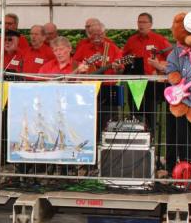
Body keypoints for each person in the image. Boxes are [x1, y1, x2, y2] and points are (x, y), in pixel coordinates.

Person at [122, 13, 170, 142]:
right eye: (139, 22)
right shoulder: (131, 40)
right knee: (135, 114)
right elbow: (123, 58)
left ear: (151, 24)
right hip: (135, 83)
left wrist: (160, 67)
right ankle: (136, 142)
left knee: (150, 114)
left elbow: (172, 59)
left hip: (153, 83)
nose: (141, 25)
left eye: (144, 22)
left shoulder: (159, 40)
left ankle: (151, 142)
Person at [73, 20, 124, 137]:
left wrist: (117, 68)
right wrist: (82, 68)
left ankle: (105, 144)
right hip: (87, 89)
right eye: (94, 34)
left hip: (107, 89)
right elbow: (74, 64)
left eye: (99, 34)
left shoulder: (112, 48)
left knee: (107, 122)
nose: (97, 37)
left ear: (104, 34)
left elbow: (121, 69)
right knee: (87, 120)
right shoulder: (83, 48)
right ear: (89, 35)